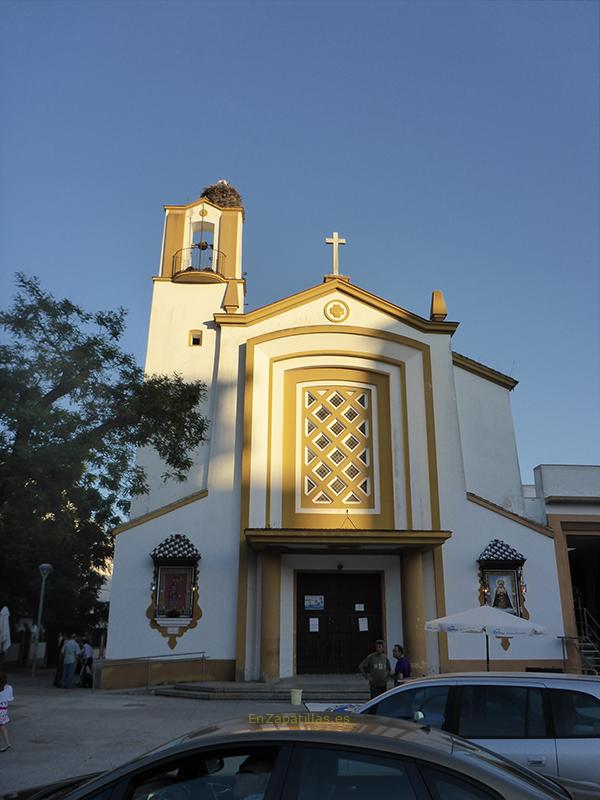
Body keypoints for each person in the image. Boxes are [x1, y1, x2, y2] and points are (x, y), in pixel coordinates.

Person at [0, 672, 14, 752]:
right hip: (3, 709)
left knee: (2, 727)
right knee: (2, 726)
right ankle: (7, 743)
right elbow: (10, 698)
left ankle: (7, 743)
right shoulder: (9, 687)